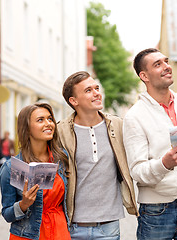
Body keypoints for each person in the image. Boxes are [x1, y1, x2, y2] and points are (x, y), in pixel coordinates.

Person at [123, 48, 177, 240]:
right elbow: (137, 170)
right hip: (156, 211)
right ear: (144, 76)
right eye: (158, 64)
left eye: (166, 62)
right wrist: (164, 164)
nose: (167, 67)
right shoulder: (135, 116)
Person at [58, 71, 138, 240]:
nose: (96, 93)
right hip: (72, 225)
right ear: (74, 101)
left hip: (108, 225)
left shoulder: (117, 125)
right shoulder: (61, 131)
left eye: (96, 88)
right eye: (88, 90)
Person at [0, 103, 71, 240]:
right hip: (28, 235)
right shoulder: (12, 167)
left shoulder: (61, 158)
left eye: (50, 119)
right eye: (40, 120)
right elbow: (7, 214)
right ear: (27, 128)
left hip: (60, 232)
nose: (48, 123)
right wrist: (23, 205)